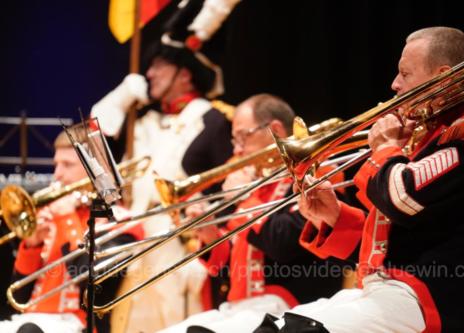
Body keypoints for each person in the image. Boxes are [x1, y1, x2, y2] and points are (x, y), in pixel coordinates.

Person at [251, 27, 464, 333]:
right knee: (269, 328)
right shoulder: (426, 139)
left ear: (444, 77)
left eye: (405, 74)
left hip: (433, 299)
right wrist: (336, 216)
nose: (395, 84)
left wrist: (384, 149)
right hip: (389, 290)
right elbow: (395, 241)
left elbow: (401, 199)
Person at [90, 2, 234, 331]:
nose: (149, 73)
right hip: (132, 243)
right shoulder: (142, 118)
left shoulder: (213, 121)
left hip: (181, 249)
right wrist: (120, 98)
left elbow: (231, 191)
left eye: (159, 66)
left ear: (185, 74)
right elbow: (90, 148)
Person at [160, 94, 353, 333]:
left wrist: (243, 200)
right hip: (241, 305)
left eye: (243, 137)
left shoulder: (318, 171)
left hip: (291, 306)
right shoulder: (256, 181)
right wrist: (210, 235)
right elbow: (233, 267)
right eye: (234, 140)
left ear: (274, 129)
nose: (238, 150)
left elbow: (283, 244)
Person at [0, 131, 143, 333]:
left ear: (96, 169)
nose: (57, 174)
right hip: (31, 320)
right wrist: (32, 245)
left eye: (67, 165)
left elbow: (96, 285)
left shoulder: (122, 221)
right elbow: (19, 297)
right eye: (56, 164)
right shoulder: (50, 212)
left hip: (78, 325)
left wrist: (67, 220)